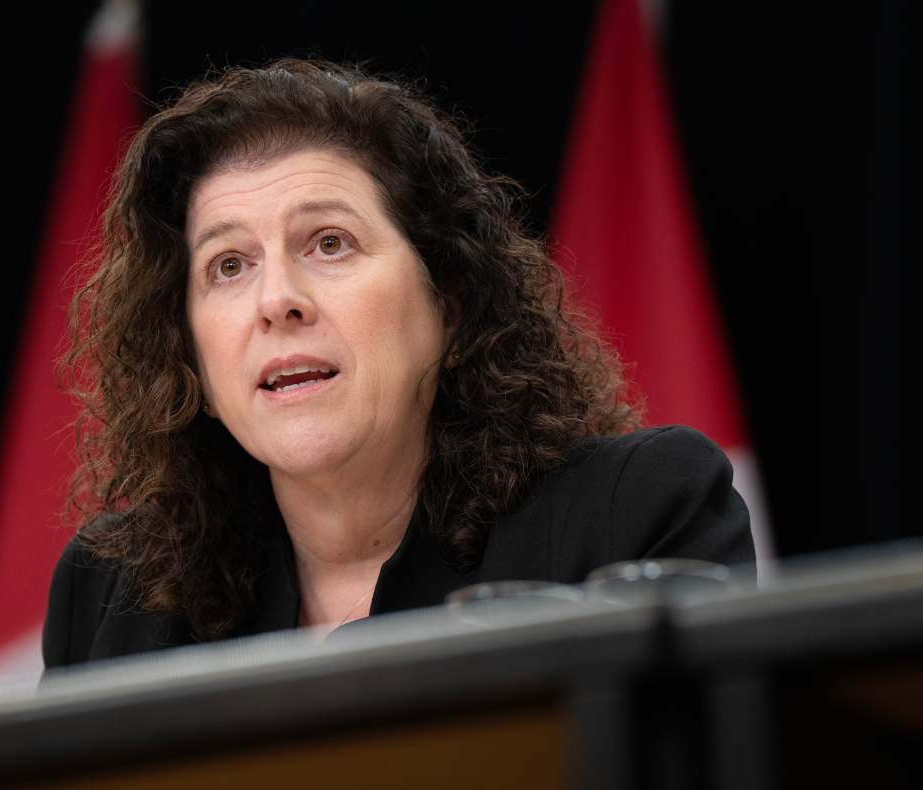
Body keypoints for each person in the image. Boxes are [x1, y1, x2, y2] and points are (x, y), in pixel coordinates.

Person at [43, 58, 754, 669]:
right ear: (190, 363)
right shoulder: (110, 596)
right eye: (228, 265)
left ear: (449, 302)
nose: (277, 300)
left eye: (329, 243)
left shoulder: (634, 515)